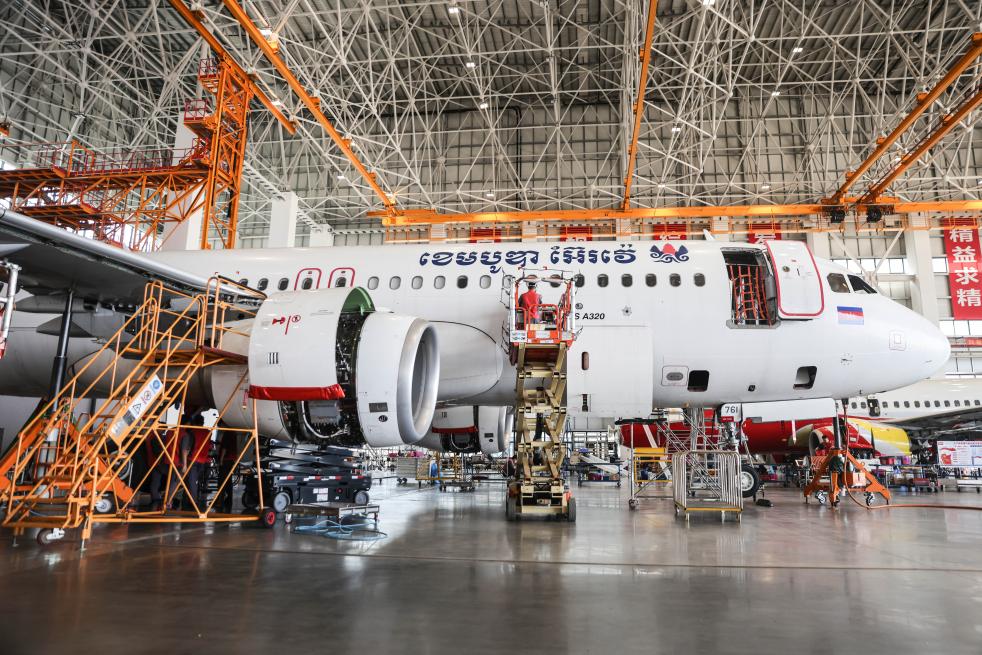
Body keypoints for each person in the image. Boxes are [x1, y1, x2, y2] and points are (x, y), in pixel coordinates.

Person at [181, 409, 212, 512]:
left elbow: (187, 446)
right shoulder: (208, 432)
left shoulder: (192, 431)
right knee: (195, 481)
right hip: (203, 460)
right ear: (203, 422)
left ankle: (193, 502)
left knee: (191, 481)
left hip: (193, 458)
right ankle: (188, 498)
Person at [216, 429, 239, 513]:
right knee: (228, 481)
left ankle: (220, 501)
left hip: (225, 460)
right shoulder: (233, 433)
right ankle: (229, 501)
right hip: (231, 460)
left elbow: (224, 448)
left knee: (221, 481)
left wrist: (221, 460)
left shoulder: (227, 433)